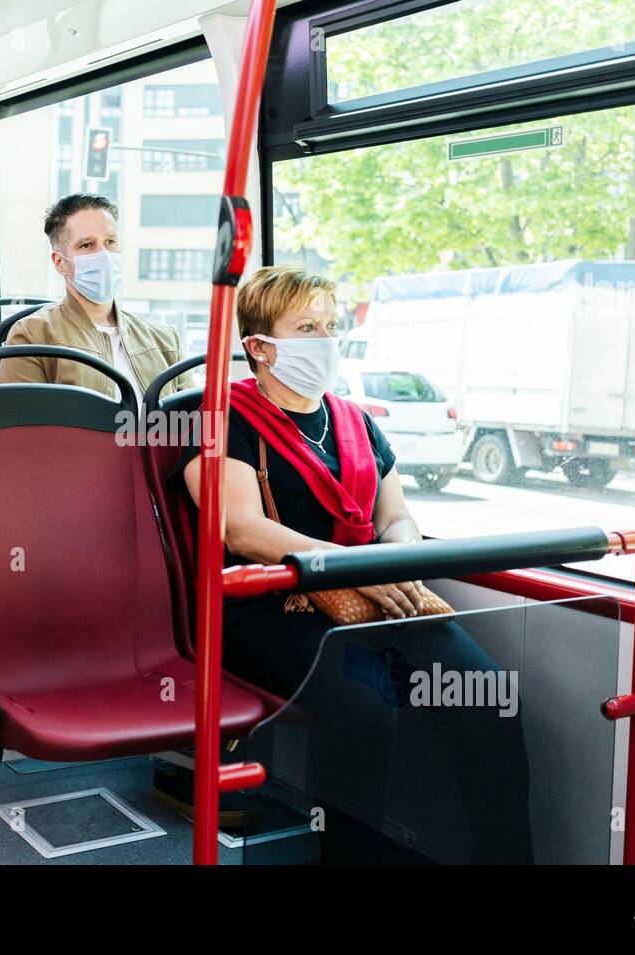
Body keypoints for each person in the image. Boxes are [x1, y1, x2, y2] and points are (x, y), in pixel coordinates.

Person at [173, 265, 534, 863]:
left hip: (374, 595)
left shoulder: (355, 423)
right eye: (306, 327)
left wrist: (395, 560)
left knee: (486, 694)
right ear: (259, 348)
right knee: (368, 711)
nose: (325, 340)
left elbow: (396, 518)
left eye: (330, 325)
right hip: (268, 604)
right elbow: (239, 527)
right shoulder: (222, 420)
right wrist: (353, 568)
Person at [0, 193, 192, 402]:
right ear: (59, 262)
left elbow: (197, 424)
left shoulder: (165, 339)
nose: (104, 255)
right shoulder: (32, 337)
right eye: (87, 245)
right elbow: (24, 429)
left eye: (110, 242)